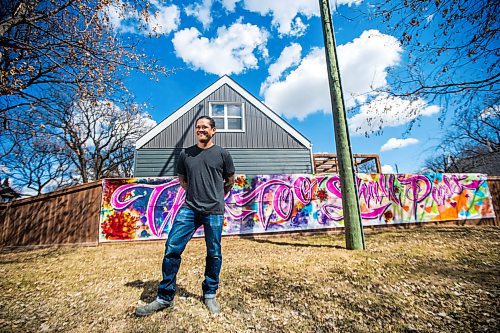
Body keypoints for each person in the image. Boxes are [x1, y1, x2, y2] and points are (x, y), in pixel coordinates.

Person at [136, 115, 235, 316]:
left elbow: (230, 180)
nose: (201, 130)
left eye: (205, 127)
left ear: (213, 131)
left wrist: (216, 196)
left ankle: (209, 294)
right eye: (198, 127)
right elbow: (183, 180)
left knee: (214, 253)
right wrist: (196, 194)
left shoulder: (222, 154)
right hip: (189, 208)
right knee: (172, 248)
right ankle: (165, 297)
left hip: (214, 210)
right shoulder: (185, 155)